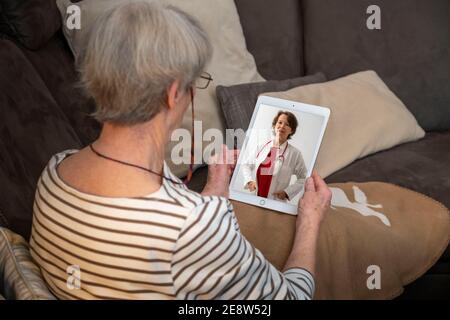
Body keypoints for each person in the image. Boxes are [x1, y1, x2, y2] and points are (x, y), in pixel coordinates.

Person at [29, 1, 331, 300]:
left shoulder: (55, 171)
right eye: (194, 84)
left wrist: (215, 186)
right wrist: (310, 219)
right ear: (173, 94)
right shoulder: (194, 229)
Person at [242, 111, 307, 202]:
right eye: (280, 122)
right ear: (274, 125)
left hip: (276, 202)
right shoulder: (261, 146)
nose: (282, 126)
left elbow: (304, 178)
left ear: (291, 130)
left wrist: (287, 192)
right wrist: (249, 181)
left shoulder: (295, 154)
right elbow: (246, 165)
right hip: (255, 198)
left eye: (287, 124)